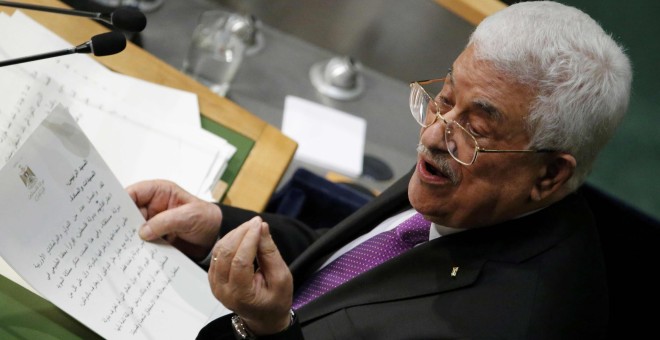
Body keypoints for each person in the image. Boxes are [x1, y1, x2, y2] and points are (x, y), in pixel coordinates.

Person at [127, 1, 631, 338]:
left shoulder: (509, 323)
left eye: (476, 127)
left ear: (548, 176)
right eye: (444, 98)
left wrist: (260, 331)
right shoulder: (466, 176)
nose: (434, 134)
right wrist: (220, 227)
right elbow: (347, 263)